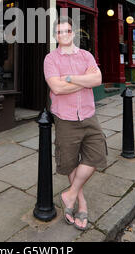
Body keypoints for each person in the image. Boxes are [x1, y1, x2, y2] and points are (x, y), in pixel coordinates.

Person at [43, 16, 107, 230]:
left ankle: (69, 194)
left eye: (67, 30)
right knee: (70, 162)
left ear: (74, 33)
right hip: (65, 118)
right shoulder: (50, 59)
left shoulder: (86, 55)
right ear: (55, 36)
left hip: (88, 115)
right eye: (60, 32)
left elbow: (97, 80)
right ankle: (81, 202)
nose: (64, 35)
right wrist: (82, 80)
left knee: (96, 155)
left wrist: (69, 78)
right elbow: (57, 89)